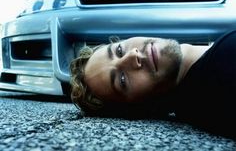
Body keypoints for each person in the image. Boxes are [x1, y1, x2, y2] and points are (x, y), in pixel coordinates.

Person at [70, 31, 236, 138]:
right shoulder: (224, 67)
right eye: (122, 80)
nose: (132, 55)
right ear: (142, 108)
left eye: (119, 50)